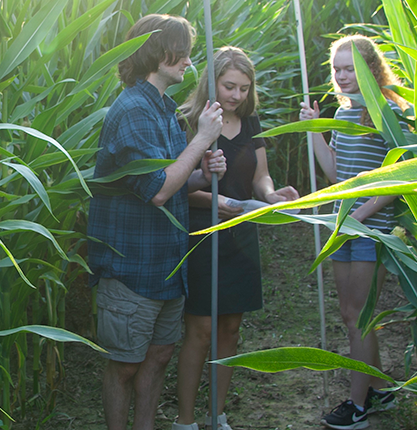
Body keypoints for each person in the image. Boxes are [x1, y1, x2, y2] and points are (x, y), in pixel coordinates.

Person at [87, 13, 227, 430]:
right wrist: (201, 138)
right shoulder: (132, 110)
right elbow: (158, 190)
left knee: (158, 356)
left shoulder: (162, 108)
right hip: (132, 268)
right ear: (156, 52)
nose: (188, 61)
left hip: (167, 264)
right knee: (125, 365)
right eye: (180, 51)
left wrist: (204, 171)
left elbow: (173, 179)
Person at [172, 46, 299, 430]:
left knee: (230, 327)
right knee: (201, 329)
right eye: (229, 86)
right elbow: (178, 185)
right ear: (212, 82)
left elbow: (260, 176)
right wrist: (225, 202)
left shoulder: (250, 122)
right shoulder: (189, 121)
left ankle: (217, 413)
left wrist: (271, 195)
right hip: (202, 233)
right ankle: (185, 420)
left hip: (242, 232)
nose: (236, 96)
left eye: (244, 88)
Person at [298, 34, 407, 430]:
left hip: (369, 230)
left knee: (358, 317)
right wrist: (314, 130)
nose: (342, 76)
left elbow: (398, 179)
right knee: (351, 315)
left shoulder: (387, 114)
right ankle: (379, 388)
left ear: (370, 69)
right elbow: (335, 173)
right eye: (336, 69)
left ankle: (357, 406)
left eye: (350, 69)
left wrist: (360, 215)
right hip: (341, 226)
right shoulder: (343, 116)